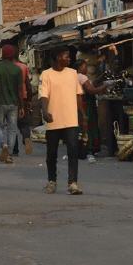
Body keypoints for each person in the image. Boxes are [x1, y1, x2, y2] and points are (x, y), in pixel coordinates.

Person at [39, 46, 86, 194]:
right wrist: (45, 111)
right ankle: (51, 181)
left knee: (73, 151)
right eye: (66, 56)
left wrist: (83, 115)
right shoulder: (46, 75)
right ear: (58, 57)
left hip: (71, 120)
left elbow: (78, 95)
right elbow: (44, 96)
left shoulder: (73, 73)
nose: (69, 59)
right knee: (51, 153)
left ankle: (73, 183)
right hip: (53, 120)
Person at [0, 44, 24, 164]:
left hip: (0, 103)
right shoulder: (17, 69)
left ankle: (4, 145)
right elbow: (20, 90)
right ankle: (9, 154)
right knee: (12, 129)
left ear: (2, 54)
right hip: (14, 104)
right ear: (13, 55)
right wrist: (22, 106)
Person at [75, 59, 107, 157]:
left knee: (81, 126)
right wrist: (105, 86)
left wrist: (101, 77)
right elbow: (91, 90)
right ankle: (89, 148)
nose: (87, 68)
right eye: (85, 66)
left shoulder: (74, 76)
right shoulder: (82, 77)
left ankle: (81, 148)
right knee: (89, 125)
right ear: (80, 67)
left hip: (80, 103)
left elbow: (92, 84)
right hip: (86, 103)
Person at [12, 53, 34, 157]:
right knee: (24, 123)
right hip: (23, 98)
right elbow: (28, 86)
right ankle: (26, 138)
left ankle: (15, 150)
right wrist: (29, 100)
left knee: (12, 125)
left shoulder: (6, 68)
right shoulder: (24, 67)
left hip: (10, 99)